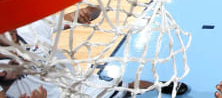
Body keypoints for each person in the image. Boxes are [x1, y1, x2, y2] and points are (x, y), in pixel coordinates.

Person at [2, 9, 188, 98]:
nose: (7, 32)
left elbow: (94, 12)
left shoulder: (31, 28)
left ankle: (159, 85)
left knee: (126, 88)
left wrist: (86, 13)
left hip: (77, 86)